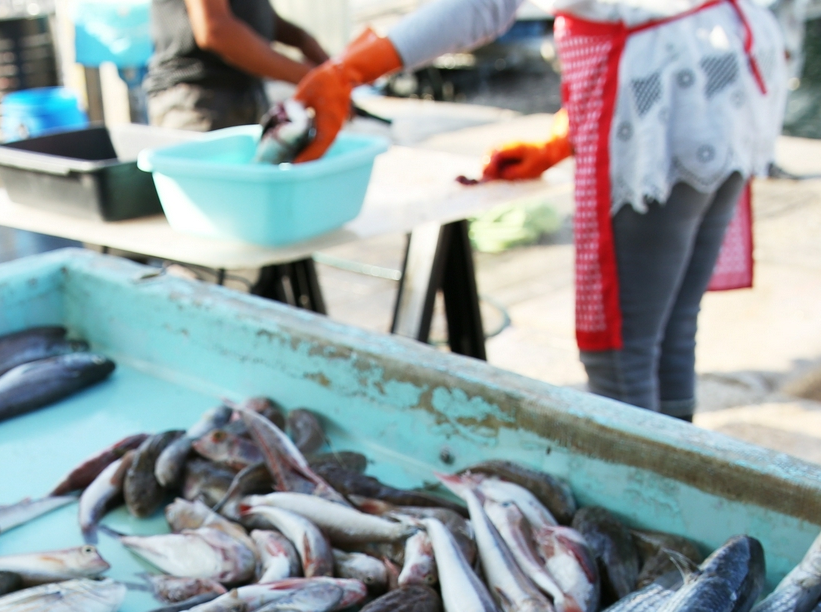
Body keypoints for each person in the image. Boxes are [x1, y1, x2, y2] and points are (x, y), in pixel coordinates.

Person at [293, 0, 789, 420]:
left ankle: (647, 514)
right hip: (726, 73)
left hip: (662, 85)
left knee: (620, 353)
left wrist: (350, 71)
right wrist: (564, 137)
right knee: (670, 330)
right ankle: (686, 497)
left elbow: (484, 6)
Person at [146, 0, 329, 132]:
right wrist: (312, 79)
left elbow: (250, 12)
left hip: (246, 97)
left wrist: (303, 41)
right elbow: (215, 30)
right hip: (199, 103)